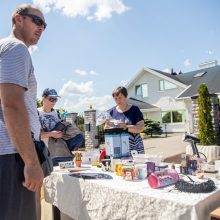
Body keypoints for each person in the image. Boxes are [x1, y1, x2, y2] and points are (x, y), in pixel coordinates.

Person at [0, 4, 46, 220]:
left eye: (44, 25)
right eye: (37, 21)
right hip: (13, 157)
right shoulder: (16, 48)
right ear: (19, 19)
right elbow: (12, 104)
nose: (41, 28)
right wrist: (31, 162)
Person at [38, 88, 84, 154]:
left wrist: (64, 131)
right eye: (51, 99)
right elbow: (34, 135)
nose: (54, 102)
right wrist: (51, 134)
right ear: (43, 98)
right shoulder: (36, 113)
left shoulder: (57, 113)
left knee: (79, 137)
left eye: (55, 99)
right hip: (44, 151)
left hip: (59, 150)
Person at [105, 86, 145, 154]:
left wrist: (126, 127)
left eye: (120, 98)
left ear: (125, 96)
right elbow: (107, 128)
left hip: (134, 148)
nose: (118, 101)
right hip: (117, 147)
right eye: (115, 99)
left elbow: (141, 128)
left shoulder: (134, 109)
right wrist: (107, 126)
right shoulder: (112, 112)